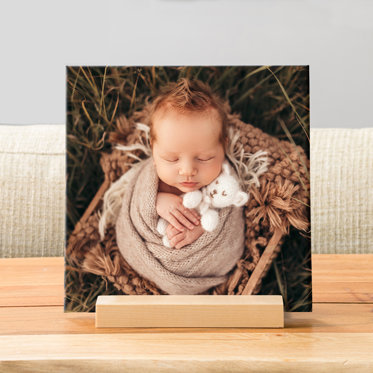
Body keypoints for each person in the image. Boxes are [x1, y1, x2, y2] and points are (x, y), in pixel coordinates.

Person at [149, 78, 231, 249]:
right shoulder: (151, 181)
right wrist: (154, 201)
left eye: (204, 158)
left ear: (224, 146)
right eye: (171, 159)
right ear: (153, 149)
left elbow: (232, 218)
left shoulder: (225, 184)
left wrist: (203, 227)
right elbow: (131, 202)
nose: (188, 171)